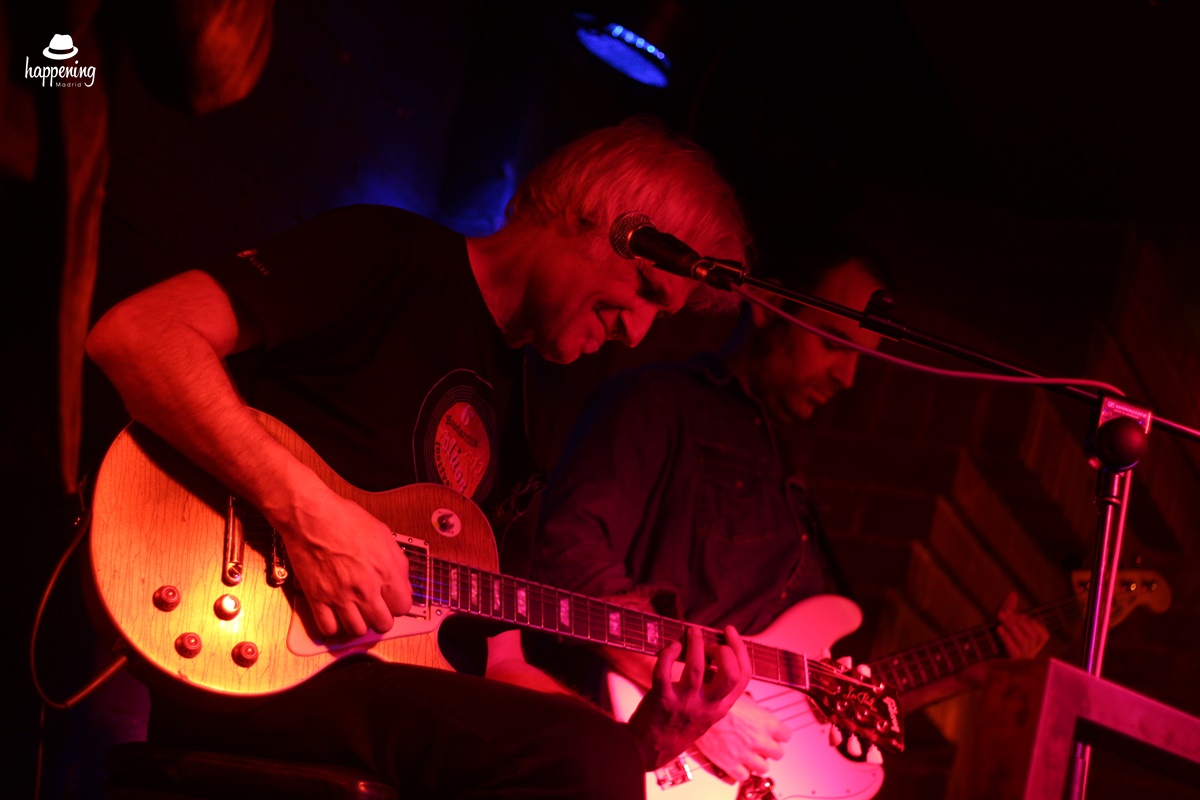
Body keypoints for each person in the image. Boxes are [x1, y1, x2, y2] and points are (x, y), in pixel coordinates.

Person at [85, 116, 758, 798]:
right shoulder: (385, 253)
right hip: (242, 640)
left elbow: (497, 665)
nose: (637, 334)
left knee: (597, 756)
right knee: (588, 757)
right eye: (648, 292)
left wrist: (638, 743)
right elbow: (140, 335)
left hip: (390, 693)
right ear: (600, 218)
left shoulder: (533, 420)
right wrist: (309, 515)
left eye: (660, 318)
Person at [529, 235, 1051, 784]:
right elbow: (563, 556)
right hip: (632, 748)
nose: (848, 376)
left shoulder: (789, 481)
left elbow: (814, 710)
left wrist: (964, 675)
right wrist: (702, 707)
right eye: (833, 343)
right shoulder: (658, 403)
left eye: (860, 357)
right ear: (769, 305)